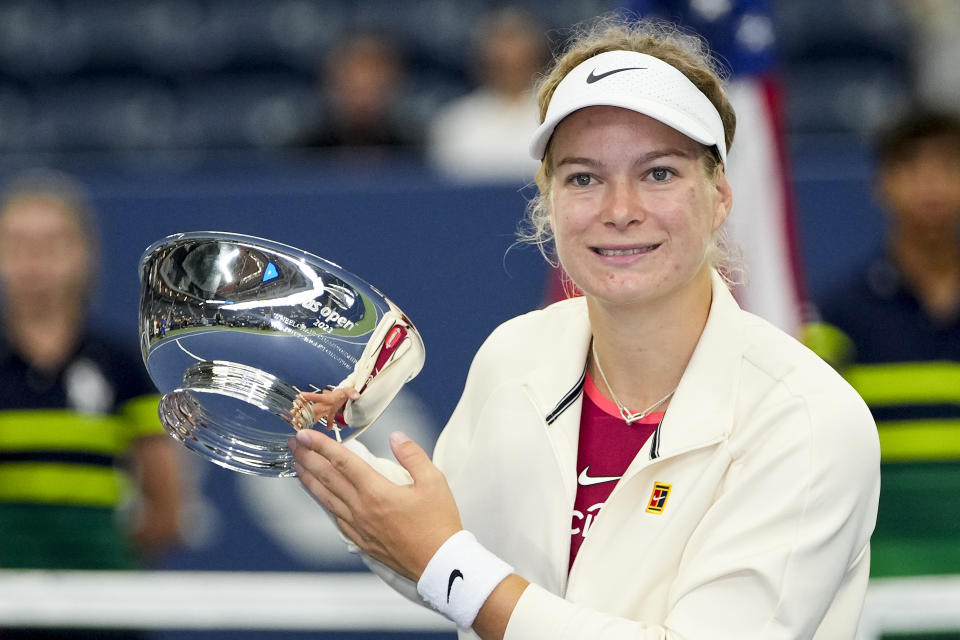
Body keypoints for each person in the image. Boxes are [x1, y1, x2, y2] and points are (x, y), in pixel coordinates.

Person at [290, 16, 880, 639]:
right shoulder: (514, 355)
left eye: (658, 173)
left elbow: (455, 569)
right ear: (548, 202)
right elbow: (441, 554)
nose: (620, 211)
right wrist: (325, 453)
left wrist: (446, 564)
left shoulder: (811, 419)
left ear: (720, 197)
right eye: (583, 178)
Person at [0, 170, 181, 637]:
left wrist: (104, 565)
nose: (33, 260)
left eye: (51, 243)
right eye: (17, 243)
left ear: (84, 254)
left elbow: (165, 508)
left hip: (104, 613)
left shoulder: (122, 365)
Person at [803, 108, 960, 580]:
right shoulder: (835, 314)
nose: (931, 184)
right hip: (882, 565)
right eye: (912, 166)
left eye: (949, 165)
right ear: (880, 184)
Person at [427, 6, 548, 182]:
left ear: (536, 54)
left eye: (515, 43)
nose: (509, 59)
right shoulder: (454, 122)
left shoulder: (555, 112)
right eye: (501, 58)